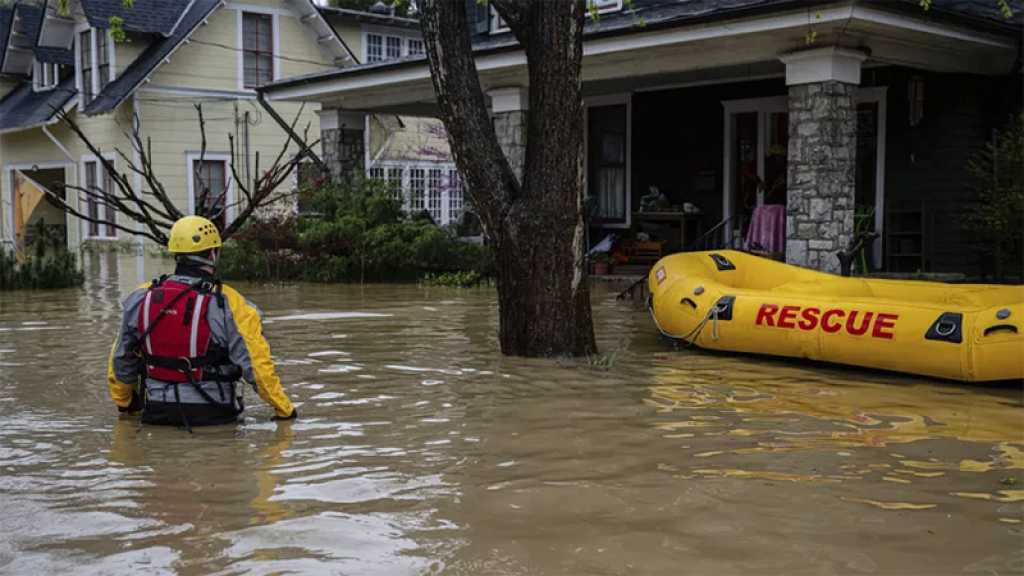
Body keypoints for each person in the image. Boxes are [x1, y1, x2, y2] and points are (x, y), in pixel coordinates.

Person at [108, 216, 296, 428]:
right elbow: (257, 368)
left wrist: (125, 404)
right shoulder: (231, 303)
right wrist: (285, 411)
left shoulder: (140, 297)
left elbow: (120, 361)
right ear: (213, 254)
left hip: (156, 412)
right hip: (214, 415)